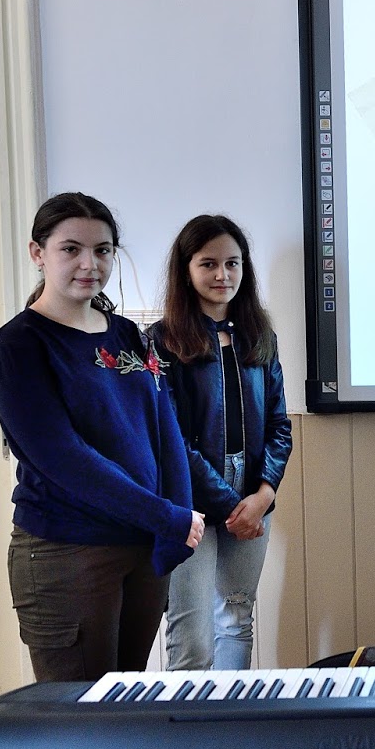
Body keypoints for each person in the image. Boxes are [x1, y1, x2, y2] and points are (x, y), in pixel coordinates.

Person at [0, 192, 203, 682]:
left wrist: (175, 523)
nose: (90, 264)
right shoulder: (19, 345)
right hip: (68, 552)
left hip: (143, 546)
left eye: (103, 250)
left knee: (124, 703)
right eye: (71, 249)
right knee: (80, 714)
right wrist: (164, 516)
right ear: (38, 253)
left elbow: (164, 430)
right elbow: (64, 459)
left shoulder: (126, 334)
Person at [148, 214, 291, 671]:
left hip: (252, 499)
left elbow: (279, 425)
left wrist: (263, 495)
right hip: (189, 502)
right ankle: (189, 720)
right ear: (186, 269)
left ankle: (233, 713)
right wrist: (233, 505)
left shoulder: (259, 336)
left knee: (236, 619)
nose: (222, 275)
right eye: (208, 264)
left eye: (232, 263)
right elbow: (171, 438)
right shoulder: (161, 342)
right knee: (191, 638)